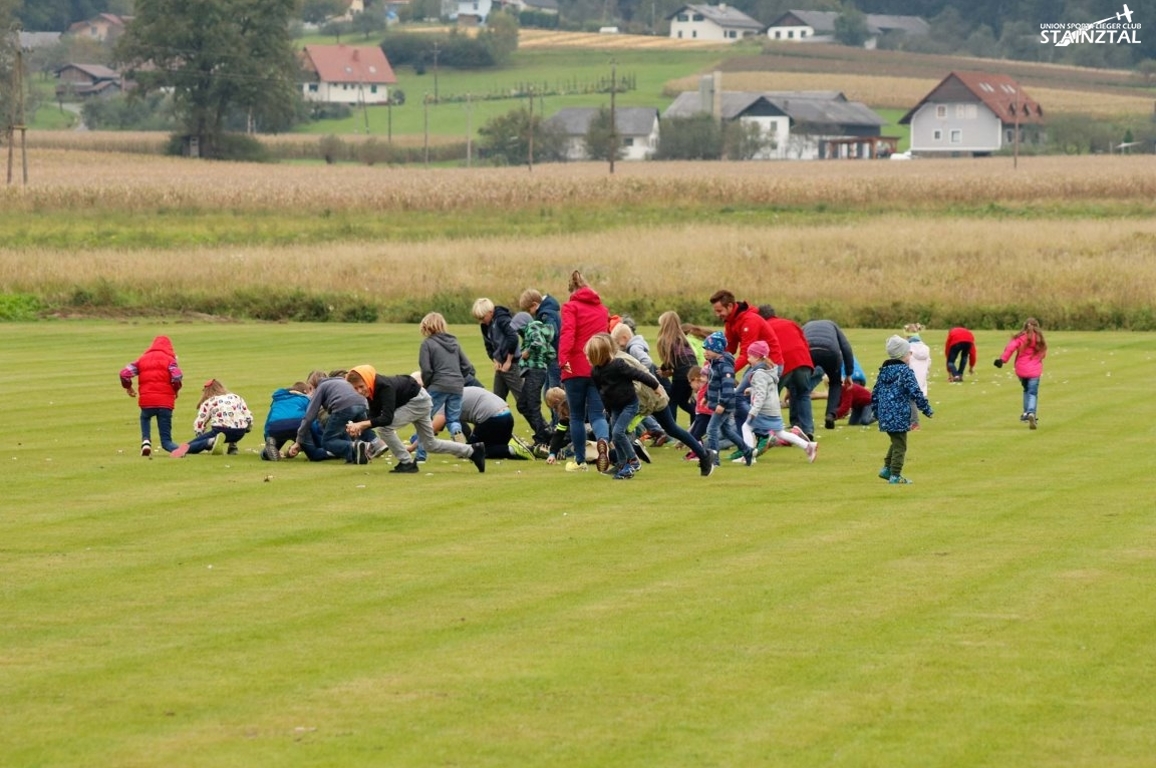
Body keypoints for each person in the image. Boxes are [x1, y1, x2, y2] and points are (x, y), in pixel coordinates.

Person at [345, 366, 486, 473]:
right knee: (430, 444)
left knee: (385, 429)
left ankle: (407, 463)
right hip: (419, 399)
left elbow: (386, 419)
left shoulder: (383, 387)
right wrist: (359, 426)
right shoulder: (372, 390)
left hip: (417, 401)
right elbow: (374, 416)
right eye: (355, 388)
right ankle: (472, 451)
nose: (359, 391)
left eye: (361, 386)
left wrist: (362, 425)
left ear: (367, 380)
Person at [558, 270, 611, 472]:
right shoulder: (602, 310)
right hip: (597, 366)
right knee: (598, 414)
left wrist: (563, 360)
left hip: (575, 366)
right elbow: (605, 339)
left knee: (577, 417)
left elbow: (568, 334)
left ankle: (580, 461)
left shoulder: (571, 307)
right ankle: (603, 441)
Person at [872, 336, 933, 485]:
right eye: (908, 353)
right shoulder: (905, 372)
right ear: (902, 355)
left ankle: (887, 468)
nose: (910, 355)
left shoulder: (884, 371)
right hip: (899, 414)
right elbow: (916, 392)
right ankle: (895, 475)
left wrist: (876, 412)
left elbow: (875, 393)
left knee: (896, 440)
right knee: (900, 445)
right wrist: (926, 409)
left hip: (885, 414)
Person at [744, 340, 817, 462]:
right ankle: (808, 446)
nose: (748, 359)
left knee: (746, 427)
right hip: (773, 409)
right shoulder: (770, 370)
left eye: (750, 356)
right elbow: (767, 389)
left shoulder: (759, 374)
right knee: (780, 433)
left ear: (757, 357)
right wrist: (752, 390)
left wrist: (754, 411)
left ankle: (749, 456)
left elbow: (761, 394)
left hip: (763, 410)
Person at [421, 385, 536, 461]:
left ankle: (512, 449)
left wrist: (412, 447)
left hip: (493, 419)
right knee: (492, 448)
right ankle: (531, 449)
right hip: (507, 416)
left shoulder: (445, 402)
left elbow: (431, 429)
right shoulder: (459, 392)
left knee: (472, 451)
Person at [287, 371, 373, 464]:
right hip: (363, 404)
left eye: (311, 388)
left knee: (328, 441)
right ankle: (356, 455)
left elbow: (309, 417)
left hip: (343, 407)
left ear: (313, 385)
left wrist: (299, 439)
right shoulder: (340, 381)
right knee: (343, 430)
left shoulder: (321, 387)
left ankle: (354, 446)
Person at [119, 335, 183, 456]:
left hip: (147, 400)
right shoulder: (170, 360)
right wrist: (176, 389)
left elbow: (124, 373)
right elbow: (177, 376)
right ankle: (175, 448)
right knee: (166, 440)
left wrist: (128, 387)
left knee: (145, 417)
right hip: (166, 402)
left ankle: (146, 441)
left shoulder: (142, 360)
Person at [758, 305, 816, 440]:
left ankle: (770, 431)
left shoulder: (764, 327)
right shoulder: (791, 323)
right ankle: (807, 430)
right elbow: (805, 343)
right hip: (803, 361)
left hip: (782, 363)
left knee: (771, 397)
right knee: (803, 395)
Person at [418, 311, 473, 444]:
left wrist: (427, 384)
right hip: (457, 386)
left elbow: (426, 370)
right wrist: (458, 378)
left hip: (438, 385)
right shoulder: (454, 342)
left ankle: (420, 454)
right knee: (453, 419)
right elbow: (467, 366)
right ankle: (457, 435)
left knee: (424, 418)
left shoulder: (427, 344)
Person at [610, 321, 667, 447]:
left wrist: (636, 372)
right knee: (641, 410)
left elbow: (647, 361)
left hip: (645, 384)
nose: (619, 346)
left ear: (624, 338)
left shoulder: (634, 348)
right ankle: (656, 430)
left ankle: (655, 430)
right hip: (646, 383)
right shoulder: (635, 345)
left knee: (638, 410)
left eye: (618, 343)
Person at [702, 331, 754, 467]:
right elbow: (713, 383)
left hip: (724, 404)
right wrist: (707, 397)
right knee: (726, 431)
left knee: (711, 430)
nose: (705, 352)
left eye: (708, 349)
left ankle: (714, 460)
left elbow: (728, 387)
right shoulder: (714, 364)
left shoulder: (725, 365)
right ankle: (747, 450)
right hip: (718, 403)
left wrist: (722, 403)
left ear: (717, 349)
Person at [172, 379, 254, 458]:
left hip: (221, 431)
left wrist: (200, 436)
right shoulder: (236, 397)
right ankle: (233, 446)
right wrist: (247, 429)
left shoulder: (210, 401)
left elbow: (199, 423)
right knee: (234, 422)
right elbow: (248, 416)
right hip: (240, 433)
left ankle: (210, 442)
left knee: (192, 444)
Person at [803, 319, 856, 430]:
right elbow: (846, 348)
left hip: (809, 351)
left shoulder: (805, 326)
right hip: (830, 351)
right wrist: (849, 374)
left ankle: (801, 420)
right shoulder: (833, 325)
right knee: (835, 383)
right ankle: (830, 414)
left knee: (802, 386)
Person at [994, 317, 1047, 429]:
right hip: (1035, 370)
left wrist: (1002, 360)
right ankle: (1031, 412)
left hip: (1021, 369)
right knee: (1032, 392)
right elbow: (1043, 354)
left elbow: (1010, 348)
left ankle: (1026, 413)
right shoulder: (1039, 339)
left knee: (1026, 390)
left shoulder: (1020, 338)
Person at [511, 310, 554, 448]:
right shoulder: (534, 329)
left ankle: (541, 439)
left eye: (518, 329)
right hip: (534, 371)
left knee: (532, 405)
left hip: (535, 371)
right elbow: (550, 353)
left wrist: (527, 353)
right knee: (522, 405)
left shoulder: (532, 328)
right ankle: (544, 433)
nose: (517, 333)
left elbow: (538, 343)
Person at [471, 297, 523, 404]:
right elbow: (488, 346)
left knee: (524, 403)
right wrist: (495, 360)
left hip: (512, 365)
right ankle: (501, 420)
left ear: (490, 312)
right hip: (500, 366)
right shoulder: (485, 325)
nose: (481, 321)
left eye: (482, 317)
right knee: (497, 401)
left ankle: (539, 421)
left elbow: (513, 338)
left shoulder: (502, 319)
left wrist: (509, 360)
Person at [655, 311, 698, 425]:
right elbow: (684, 359)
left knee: (672, 401)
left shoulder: (667, 340)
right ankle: (695, 423)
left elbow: (668, 360)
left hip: (682, 375)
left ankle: (672, 429)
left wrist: (663, 370)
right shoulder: (683, 338)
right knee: (684, 402)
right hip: (693, 372)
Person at [260, 378, 312, 461]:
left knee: (272, 447)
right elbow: (310, 418)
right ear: (305, 392)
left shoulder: (278, 400)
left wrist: (268, 437)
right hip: (296, 424)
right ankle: (308, 451)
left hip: (275, 426)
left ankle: (266, 452)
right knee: (308, 443)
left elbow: (269, 420)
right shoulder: (305, 399)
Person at [904, 323, 931, 430]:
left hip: (911, 376)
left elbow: (905, 362)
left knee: (910, 399)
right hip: (922, 376)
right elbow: (929, 363)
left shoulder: (908, 348)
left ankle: (914, 423)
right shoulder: (925, 348)